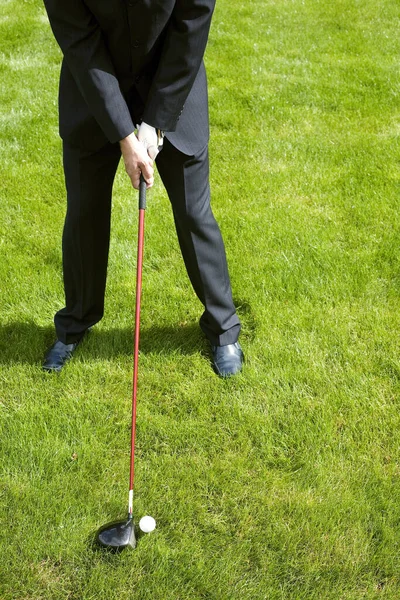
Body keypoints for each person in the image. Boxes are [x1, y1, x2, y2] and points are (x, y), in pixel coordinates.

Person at [42, 0, 243, 377]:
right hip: (94, 89)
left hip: (172, 84)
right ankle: (74, 324)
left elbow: (193, 20)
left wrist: (156, 122)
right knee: (84, 211)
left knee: (193, 212)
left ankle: (223, 330)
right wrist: (123, 133)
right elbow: (81, 43)